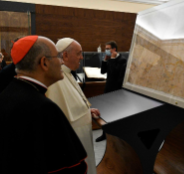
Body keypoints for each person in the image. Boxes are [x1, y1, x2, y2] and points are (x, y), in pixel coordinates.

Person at [0, 35, 88, 174]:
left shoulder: (8, 93)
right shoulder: (44, 108)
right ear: (44, 63)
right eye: (57, 57)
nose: (61, 62)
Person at [46, 38, 100, 174]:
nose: (82, 57)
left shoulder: (67, 73)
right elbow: (60, 114)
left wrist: (87, 110)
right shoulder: (56, 77)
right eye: (79, 53)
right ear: (65, 55)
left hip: (82, 136)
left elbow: (73, 103)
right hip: (73, 140)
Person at [95, 41, 127, 142]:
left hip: (116, 91)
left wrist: (112, 60)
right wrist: (105, 60)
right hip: (108, 89)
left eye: (108, 49)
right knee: (105, 113)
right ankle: (104, 134)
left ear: (114, 49)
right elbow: (103, 71)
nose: (107, 51)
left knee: (116, 114)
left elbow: (116, 75)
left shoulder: (122, 60)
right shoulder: (109, 59)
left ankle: (115, 135)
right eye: (106, 49)